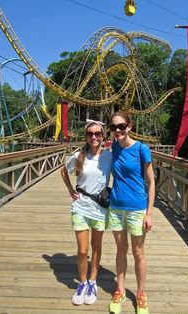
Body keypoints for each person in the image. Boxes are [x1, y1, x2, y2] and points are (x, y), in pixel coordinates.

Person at [61, 119, 112, 306]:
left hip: (100, 208)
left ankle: (93, 281)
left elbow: (124, 171)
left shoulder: (109, 156)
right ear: (86, 136)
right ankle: (82, 283)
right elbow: (64, 171)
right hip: (80, 206)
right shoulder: (78, 155)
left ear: (103, 136)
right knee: (83, 250)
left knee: (96, 247)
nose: (94, 137)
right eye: (90, 134)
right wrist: (69, 190)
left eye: (98, 133)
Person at [108, 111, 155, 314]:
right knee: (120, 250)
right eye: (113, 127)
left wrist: (149, 213)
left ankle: (141, 293)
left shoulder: (141, 149)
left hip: (137, 208)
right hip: (116, 207)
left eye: (121, 126)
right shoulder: (113, 147)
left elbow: (151, 181)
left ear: (129, 127)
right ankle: (120, 290)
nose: (117, 130)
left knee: (138, 252)